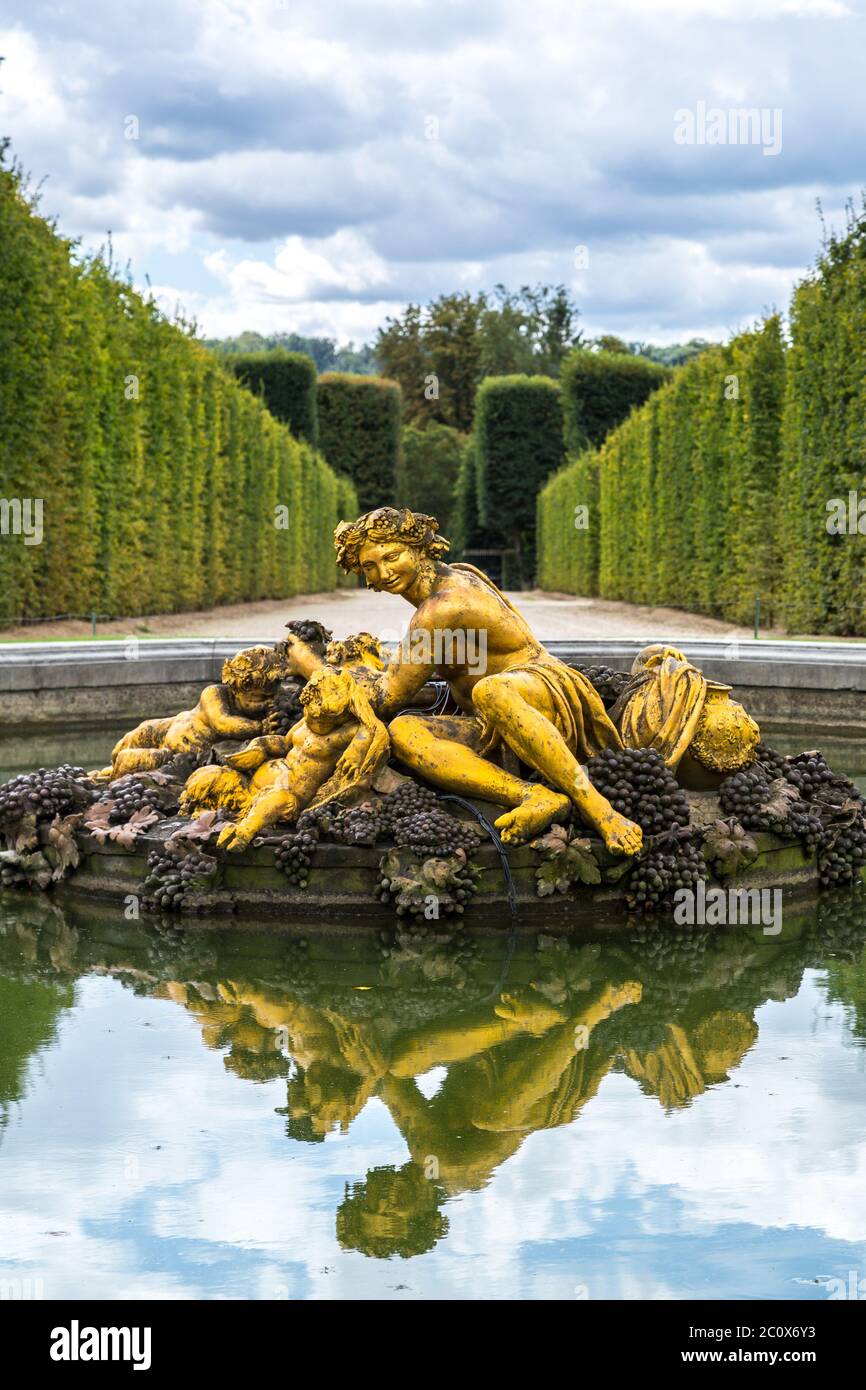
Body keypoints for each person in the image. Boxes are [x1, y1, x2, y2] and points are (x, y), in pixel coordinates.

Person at [281, 507, 643, 855]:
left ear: (419, 548)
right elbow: (410, 679)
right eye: (370, 566)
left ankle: (600, 809)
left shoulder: (441, 608)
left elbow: (387, 695)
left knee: (491, 690)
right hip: (492, 720)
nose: (384, 572)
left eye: (392, 556)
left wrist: (309, 665)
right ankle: (534, 796)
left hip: (541, 693)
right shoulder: (452, 580)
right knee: (406, 731)